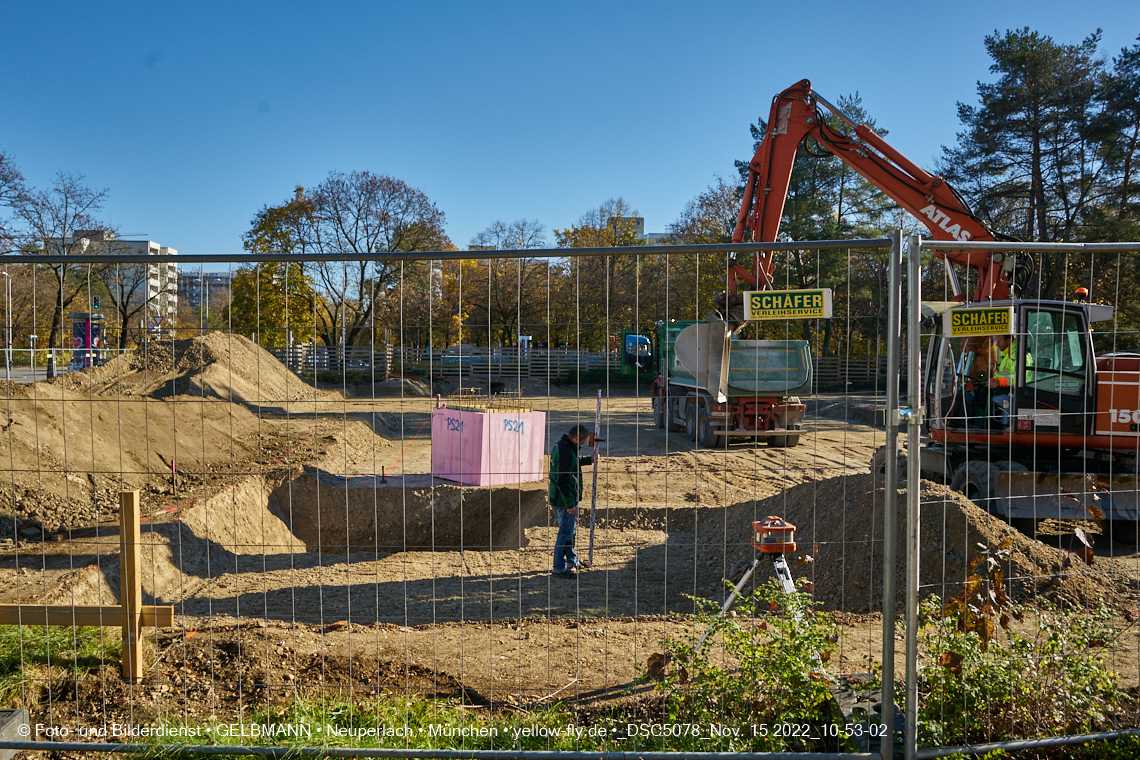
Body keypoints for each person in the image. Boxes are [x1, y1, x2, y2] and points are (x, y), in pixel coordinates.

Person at [549, 424, 596, 578]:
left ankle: (571, 562)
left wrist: (589, 459)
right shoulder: (566, 452)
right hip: (564, 502)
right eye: (581, 442)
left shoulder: (561, 446)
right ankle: (558, 569)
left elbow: (572, 463)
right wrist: (570, 505)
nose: (582, 445)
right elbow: (563, 481)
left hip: (559, 498)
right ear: (576, 439)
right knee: (564, 534)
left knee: (570, 532)